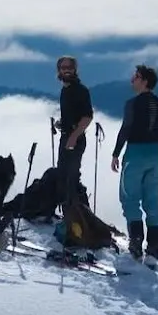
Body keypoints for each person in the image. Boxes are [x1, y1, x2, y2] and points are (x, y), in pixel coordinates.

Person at [111, 63, 158, 262]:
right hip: (154, 153)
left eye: (136, 77)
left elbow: (126, 129)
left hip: (135, 153)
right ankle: (153, 247)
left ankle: (136, 243)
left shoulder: (132, 104)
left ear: (144, 81)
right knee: (152, 199)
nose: (132, 80)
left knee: (129, 198)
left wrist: (115, 154)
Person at [55, 55, 94, 209]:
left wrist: (73, 136)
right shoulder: (66, 89)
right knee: (63, 175)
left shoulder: (80, 90)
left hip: (74, 139)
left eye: (69, 68)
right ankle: (70, 214)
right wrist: (62, 123)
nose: (66, 71)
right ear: (59, 70)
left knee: (70, 177)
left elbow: (88, 116)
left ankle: (77, 214)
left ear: (75, 69)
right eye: (63, 68)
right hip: (67, 136)